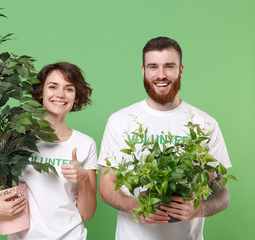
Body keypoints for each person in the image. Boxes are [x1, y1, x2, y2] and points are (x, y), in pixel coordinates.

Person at [98, 37, 231, 240]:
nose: (161, 75)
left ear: (181, 70)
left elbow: (222, 194)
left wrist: (198, 209)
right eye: (153, 67)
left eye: (169, 66)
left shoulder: (205, 124)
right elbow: (106, 186)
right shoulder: (120, 121)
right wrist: (134, 205)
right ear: (143, 70)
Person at [0, 62, 97, 240]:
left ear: (76, 97)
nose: (60, 94)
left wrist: (83, 179)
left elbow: (87, 214)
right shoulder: (13, 139)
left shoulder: (85, 144)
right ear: (40, 93)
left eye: (69, 89)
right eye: (53, 87)